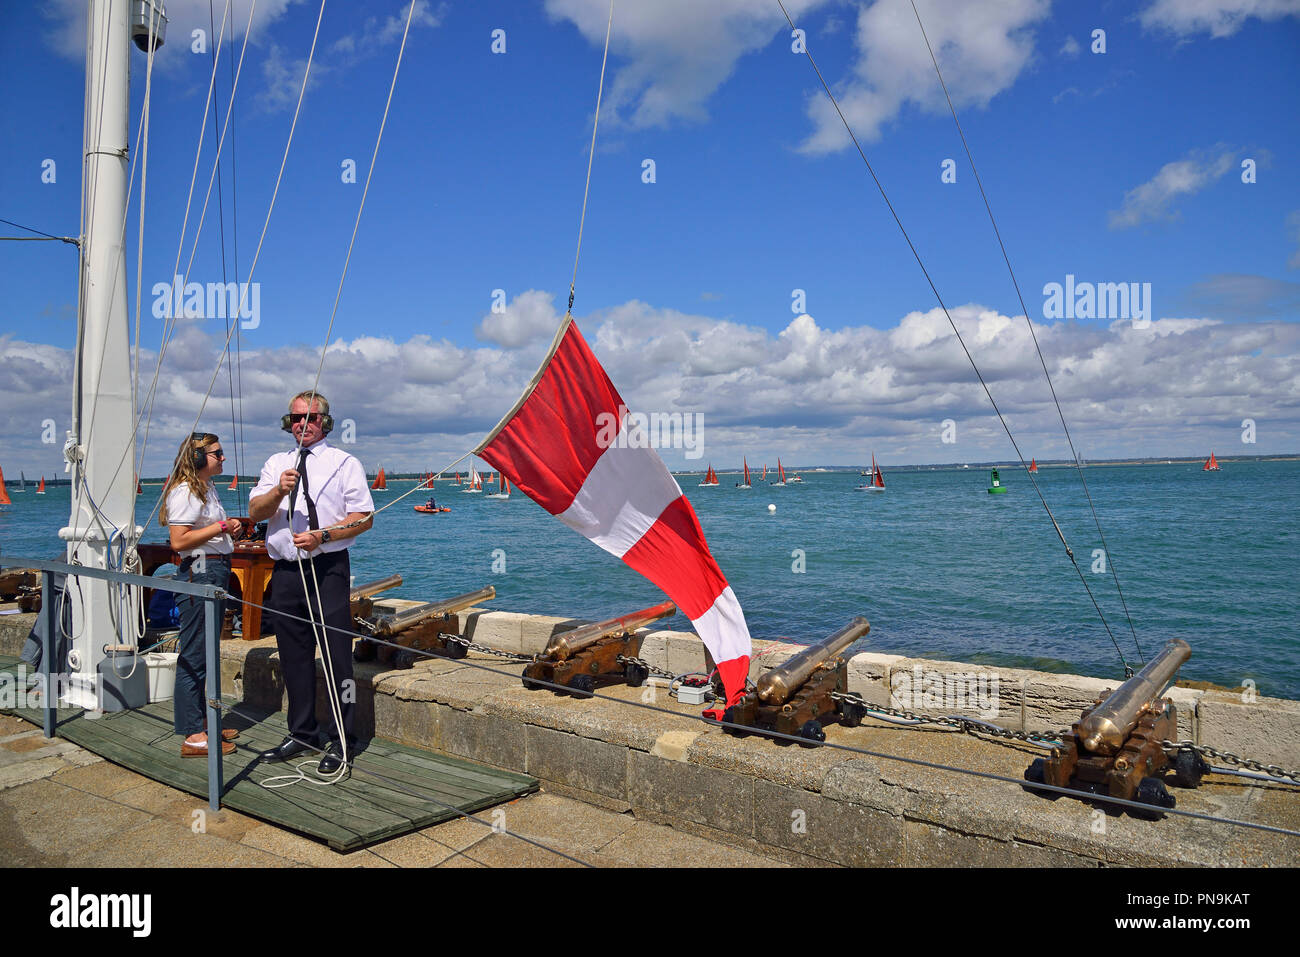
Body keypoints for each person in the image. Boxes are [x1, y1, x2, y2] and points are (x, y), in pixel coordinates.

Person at [248, 391, 373, 774]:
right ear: (289, 422)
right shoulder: (275, 464)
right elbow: (256, 511)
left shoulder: (344, 463)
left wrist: (325, 536)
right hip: (286, 573)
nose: (304, 424)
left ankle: (342, 739)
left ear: (326, 422)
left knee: (337, 657)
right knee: (294, 657)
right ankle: (302, 734)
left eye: (312, 418)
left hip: (328, 569)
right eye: (297, 418)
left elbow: (363, 517)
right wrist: (277, 491)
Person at [162, 432, 241, 757]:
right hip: (200, 571)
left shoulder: (205, 488)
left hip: (212, 568)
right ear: (197, 458)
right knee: (195, 654)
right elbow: (179, 541)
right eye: (217, 453)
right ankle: (194, 735)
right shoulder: (185, 491)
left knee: (205, 652)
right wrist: (222, 528)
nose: (223, 458)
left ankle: (204, 721)